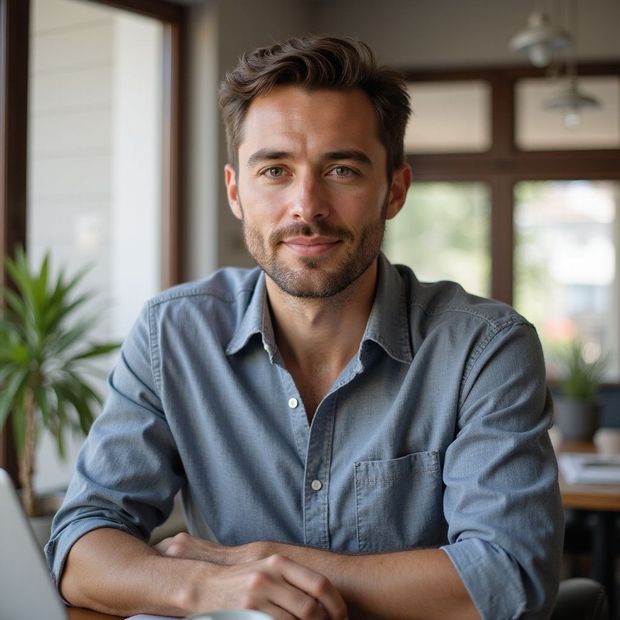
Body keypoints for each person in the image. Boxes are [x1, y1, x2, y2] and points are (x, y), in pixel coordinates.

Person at [46, 35, 563, 620]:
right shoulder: (173, 334)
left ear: (394, 190)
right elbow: (79, 548)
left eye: (341, 169)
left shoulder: (484, 347)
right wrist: (207, 587)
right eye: (275, 170)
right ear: (236, 191)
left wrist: (258, 561)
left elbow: (510, 578)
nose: (306, 205)